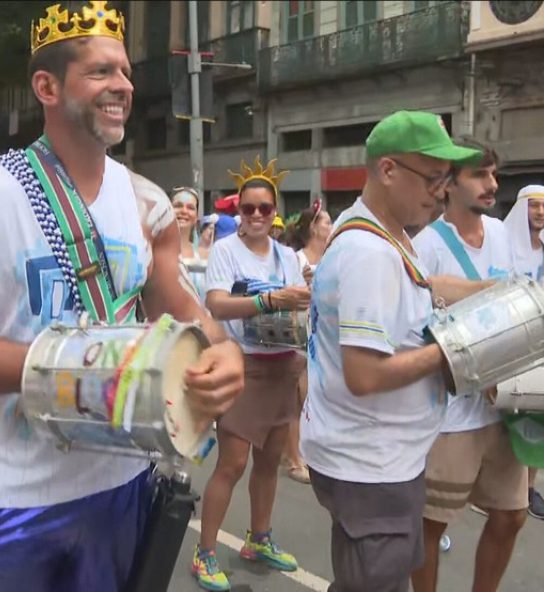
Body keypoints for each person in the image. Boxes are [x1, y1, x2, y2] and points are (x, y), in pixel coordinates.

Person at [0, 3, 244, 590]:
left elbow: (180, 311)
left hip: (122, 483)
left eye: (125, 73)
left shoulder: (148, 205)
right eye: (100, 72)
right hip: (16, 495)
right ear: (46, 85)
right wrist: (81, 373)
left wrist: (223, 351)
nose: (121, 86)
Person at [300, 111, 489, 592]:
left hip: (375, 458)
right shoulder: (370, 254)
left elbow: (424, 283)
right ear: (387, 170)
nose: (440, 192)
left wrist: (492, 288)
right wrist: (451, 351)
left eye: (445, 180)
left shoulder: (380, 230)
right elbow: (364, 375)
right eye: (431, 179)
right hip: (370, 465)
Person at [411, 141, 527, 592]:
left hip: (506, 404)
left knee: (512, 515)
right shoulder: (427, 245)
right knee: (431, 524)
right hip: (453, 413)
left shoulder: (501, 234)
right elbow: (417, 321)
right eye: (480, 175)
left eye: (494, 174)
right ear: (448, 184)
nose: (492, 184)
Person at [192, 157, 307, 590]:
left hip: (283, 367)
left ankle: (259, 539)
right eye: (248, 208)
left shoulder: (287, 256)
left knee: (269, 462)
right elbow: (218, 305)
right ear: (237, 212)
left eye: (264, 208)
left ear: (275, 211)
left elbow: (299, 307)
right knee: (232, 464)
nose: (256, 215)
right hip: (244, 366)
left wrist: (297, 302)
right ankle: (204, 553)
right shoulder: (225, 251)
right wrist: (270, 300)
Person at [281, 200, 333, 485]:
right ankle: (293, 458)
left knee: (315, 398)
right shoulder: (297, 260)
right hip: (300, 335)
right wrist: (303, 285)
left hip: (324, 337)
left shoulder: (331, 258)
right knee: (298, 399)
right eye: (326, 221)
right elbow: (284, 293)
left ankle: (308, 453)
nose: (331, 225)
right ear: (314, 228)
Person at [503, 184, 544, 520]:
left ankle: (529, 489)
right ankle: (501, 487)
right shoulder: (505, 248)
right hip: (511, 343)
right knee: (507, 416)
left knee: (537, 416)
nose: (540, 213)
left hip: (541, 345)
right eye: (534, 206)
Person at [172, 187, 208, 298]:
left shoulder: (207, 255)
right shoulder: (154, 251)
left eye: (190, 208)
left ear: (196, 217)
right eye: (178, 206)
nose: (184, 211)